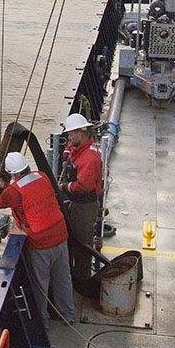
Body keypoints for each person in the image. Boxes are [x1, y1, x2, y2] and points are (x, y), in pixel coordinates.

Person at [0, 152, 77, 325]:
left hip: (41, 244)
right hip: (60, 235)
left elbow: (1, 201)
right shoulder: (41, 176)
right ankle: (68, 315)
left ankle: (42, 322)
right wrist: (7, 185)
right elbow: (28, 191)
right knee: (63, 278)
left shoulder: (14, 192)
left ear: (12, 173)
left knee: (41, 284)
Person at [60, 113, 103, 280]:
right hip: (76, 203)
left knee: (82, 244)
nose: (69, 139)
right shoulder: (81, 147)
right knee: (73, 238)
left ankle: (82, 278)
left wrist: (64, 187)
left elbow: (84, 186)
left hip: (84, 206)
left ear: (80, 134)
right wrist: (65, 155)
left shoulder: (89, 158)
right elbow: (71, 148)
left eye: (71, 135)